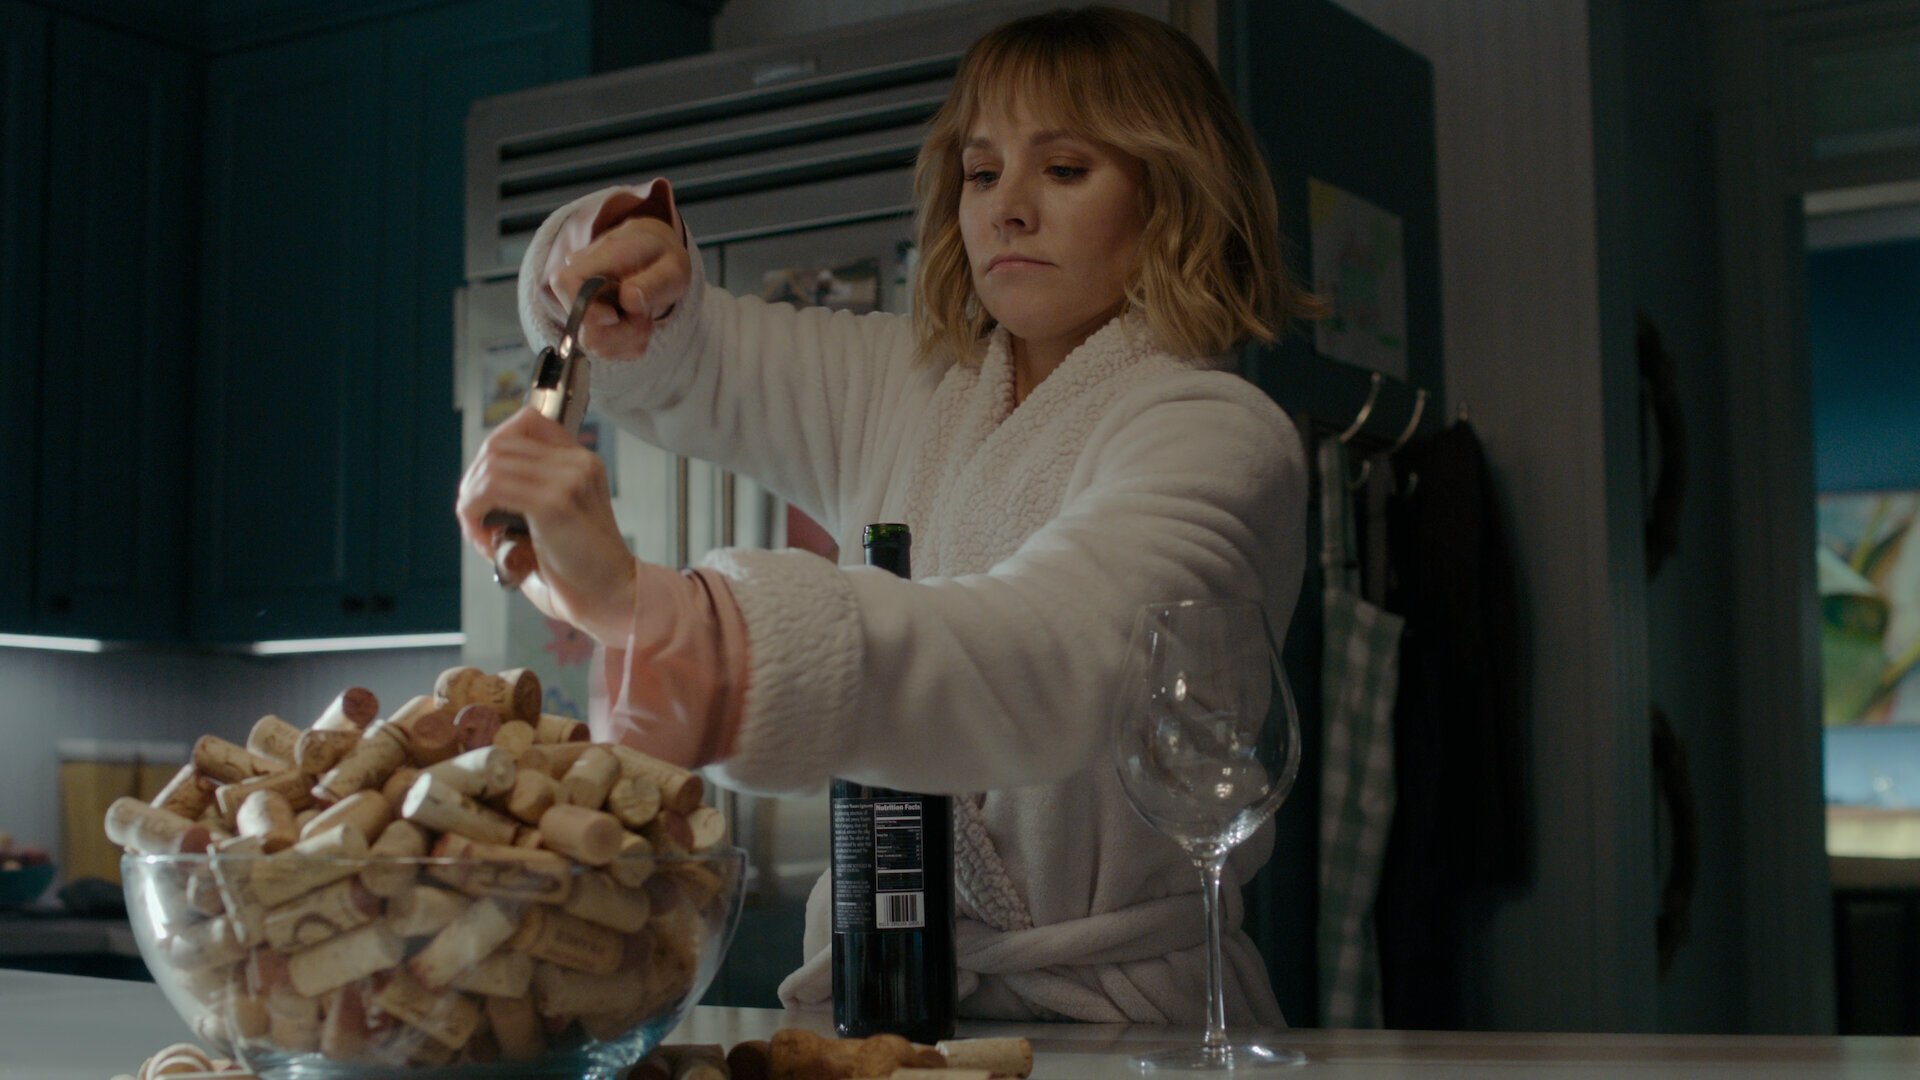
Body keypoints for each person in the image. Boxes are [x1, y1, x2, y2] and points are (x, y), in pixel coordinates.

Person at [456, 5, 1317, 1025]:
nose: (1008, 210)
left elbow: (1055, 657)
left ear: (1173, 197)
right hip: (879, 1004)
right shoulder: (908, 389)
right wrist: (615, 270)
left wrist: (668, 618)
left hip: (1128, 1025)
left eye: (1065, 169)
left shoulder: (1220, 436)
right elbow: (683, 360)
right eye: (983, 173)